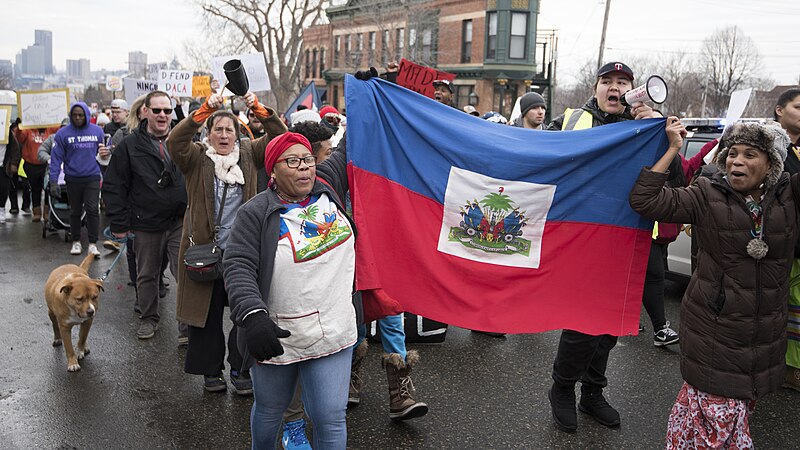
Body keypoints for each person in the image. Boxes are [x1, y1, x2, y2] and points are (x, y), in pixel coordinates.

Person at [630, 119, 796, 449]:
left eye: (750, 154)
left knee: (733, 413)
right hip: (715, 330)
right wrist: (674, 148)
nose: (737, 160)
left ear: (772, 164)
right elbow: (645, 200)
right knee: (719, 423)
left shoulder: (790, 196)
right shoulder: (706, 194)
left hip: (764, 335)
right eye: (732, 152)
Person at [546, 62, 663, 433]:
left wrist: (661, 128)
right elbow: (529, 153)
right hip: (580, 235)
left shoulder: (646, 125)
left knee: (609, 324)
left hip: (624, 237)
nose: (615, 88)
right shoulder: (571, 120)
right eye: (607, 82)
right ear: (595, 89)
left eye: (622, 82)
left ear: (633, 89)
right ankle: (562, 388)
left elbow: (673, 179)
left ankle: (592, 392)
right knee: (582, 322)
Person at [224, 131, 357, 449]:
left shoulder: (327, 184)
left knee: (330, 417)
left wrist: (373, 89)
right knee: (270, 412)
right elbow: (237, 266)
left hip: (334, 329)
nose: (304, 168)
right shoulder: (254, 213)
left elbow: (348, 145)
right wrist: (253, 315)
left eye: (308, 160)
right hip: (278, 335)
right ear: (272, 170)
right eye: (293, 161)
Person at [168, 91, 287, 395]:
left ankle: (241, 367)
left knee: (245, 314)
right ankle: (211, 372)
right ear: (208, 134)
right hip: (204, 253)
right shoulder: (196, 157)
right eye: (217, 129)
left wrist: (258, 108)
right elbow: (175, 142)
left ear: (238, 134)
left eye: (229, 130)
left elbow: (280, 137)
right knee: (206, 319)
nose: (223, 135)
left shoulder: (248, 154)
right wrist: (204, 110)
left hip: (242, 254)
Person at [102, 90, 188, 341]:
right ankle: (149, 318)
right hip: (145, 223)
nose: (163, 115)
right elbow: (114, 185)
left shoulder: (183, 142)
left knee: (184, 274)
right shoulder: (130, 145)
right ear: (145, 112)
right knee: (146, 275)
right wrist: (119, 223)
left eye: (167, 110)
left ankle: (187, 327)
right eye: (157, 110)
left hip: (178, 221)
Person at [49, 102, 105, 257]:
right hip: (73, 178)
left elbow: (104, 154)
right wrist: (53, 181)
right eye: (75, 115)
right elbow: (55, 159)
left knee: (93, 209)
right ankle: (76, 241)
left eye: (81, 114)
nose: (78, 117)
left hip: (92, 177)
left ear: (86, 114)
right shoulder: (63, 134)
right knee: (75, 211)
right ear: (70, 116)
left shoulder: (97, 131)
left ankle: (93, 244)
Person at [775, 87, 800, 391]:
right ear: (779, 110)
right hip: (776, 245)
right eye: (798, 106)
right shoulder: (764, 146)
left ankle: (793, 370)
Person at [13, 124, 57, 221]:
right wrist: (19, 128)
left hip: (47, 164)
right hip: (31, 164)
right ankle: (36, 212)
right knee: (35, 188)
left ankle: (47, 212)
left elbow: (61, 129)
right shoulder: (28, 129)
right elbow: (20, 138)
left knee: (48, 189)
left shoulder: (50, 128)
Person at [0, 126, 21, 223]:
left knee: (3, 189)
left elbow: (15, 148)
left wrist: (13, 163)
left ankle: (1, 209)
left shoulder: (6, 131)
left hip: (3, 166)